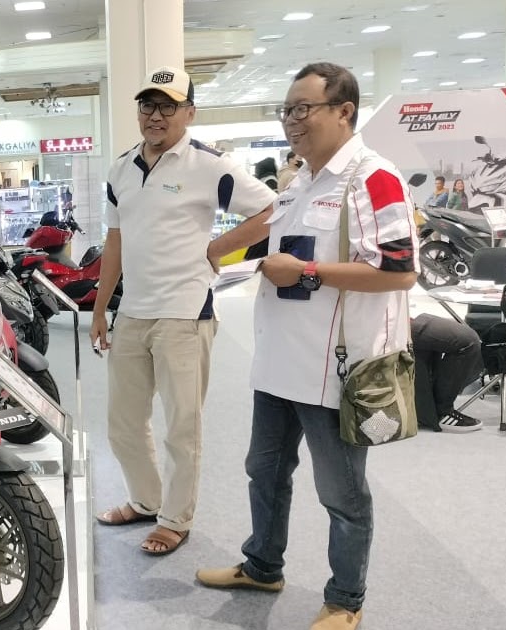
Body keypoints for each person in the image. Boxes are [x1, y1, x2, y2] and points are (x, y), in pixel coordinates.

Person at [196, 62, 418, 630]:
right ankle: (262, 565)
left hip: (334, 370)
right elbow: (273, 232)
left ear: (344, 111)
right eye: (286, 110)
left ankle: (346, 600)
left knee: (342, 494)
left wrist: (308, 272)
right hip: (278, 363)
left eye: (303, 109)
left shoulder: (373, 177)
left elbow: (399, 270)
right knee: (265, 470)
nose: (292, 120)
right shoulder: (301, 180)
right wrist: (220, 253)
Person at [90, 65, 275, 555]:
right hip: (133, 312)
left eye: (168, 106)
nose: (156, 115)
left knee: (181, 427)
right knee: (123, 423)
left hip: (185, 313)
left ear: (189, 113)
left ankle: (174, 518)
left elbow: (271, 210)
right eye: (148, 105)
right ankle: (145, 499)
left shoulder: (208, 165)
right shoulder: (120, 169)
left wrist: (218, 249)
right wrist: (101, 307)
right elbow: (115, 240)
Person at [412, 314, 483, 432]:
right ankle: (442, 411)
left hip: (404, 319)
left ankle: (434, 408)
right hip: (392, 326)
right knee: (469, 342)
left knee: (470, 339)